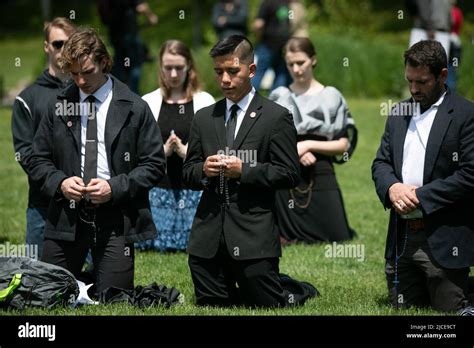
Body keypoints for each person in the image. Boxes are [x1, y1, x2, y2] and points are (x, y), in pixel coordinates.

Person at [183, 35, 317, 308]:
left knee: (265, 304)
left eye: (233, 71)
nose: (225, 80)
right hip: (207, 238)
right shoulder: (204, 117)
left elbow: (289, 173)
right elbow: (187, 172)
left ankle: (296, 288)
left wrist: (244, 170)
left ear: (252, 70)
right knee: (212, 303)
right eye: (219, 72)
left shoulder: (276, 117)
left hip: (253, 236)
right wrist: (203, 170)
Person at [30, 28, 166, 295]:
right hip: (66, 217)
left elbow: (154, 165)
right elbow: (37, 158)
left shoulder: (134, 106)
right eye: (74, 73)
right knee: (45, 294)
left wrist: (114, 188)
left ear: (104, 62)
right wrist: (60, 182)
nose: (80, 80)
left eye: (88, 71)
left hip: (115, 218)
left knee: (114, 298)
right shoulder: (58, 104)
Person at [372, 40, 474, 313]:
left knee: (450, 307)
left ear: (443, 75)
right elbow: (380, 163)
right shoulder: (398, 113)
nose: (414, 89)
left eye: (422, 82)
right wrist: (392, 187)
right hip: (402, 236)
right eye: (410, 81)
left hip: (443, 235)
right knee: (403, 305)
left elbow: (470, 174)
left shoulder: (466, 114)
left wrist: (419, 196)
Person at [269, 37, 357, 244]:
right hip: (286, 173)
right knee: (284, 236)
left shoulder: (331, 96)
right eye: (291, 64)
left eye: (301, 63)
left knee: (337, 236)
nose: (296, 69)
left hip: (321, 170)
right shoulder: (279, 96)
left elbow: (343, 144)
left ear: (313, 60)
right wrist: (294, 152)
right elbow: (267, 142)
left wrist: (307, 145)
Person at [136, 40, 215, 251]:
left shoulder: (204, 101)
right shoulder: (148, 102)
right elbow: (139, 154)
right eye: (168, 68)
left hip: (193, 191)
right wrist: (163, 151)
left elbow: (214, 151)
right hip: (158, 192)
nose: (173, 74)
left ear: (189, 66)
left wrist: (184, 152)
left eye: (179, 68)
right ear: (160, 67)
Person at [11, 17, 77, 259]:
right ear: (46, 47)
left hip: (85, 202)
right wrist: (59, 182)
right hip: (43, 203)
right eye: (58, 44)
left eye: (70, 44)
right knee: (38, 278)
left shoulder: (89, 93)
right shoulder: (27, 99)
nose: (64, 50)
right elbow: (26, 155)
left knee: (91, 280)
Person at [98, 0, 158, 94]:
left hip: (114, 36)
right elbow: (141, 6)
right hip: (129, 34)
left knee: (121, 66)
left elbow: (104, 17)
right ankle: (133, 96)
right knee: (135, 65)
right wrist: (150, 16)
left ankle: (117, 93)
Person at [252, 0, 292, 92]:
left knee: (258, 72)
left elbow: (259, 24)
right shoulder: (287, 3)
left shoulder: (267, 3)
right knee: (280, 73)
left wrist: (257, 36)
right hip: (283, 43)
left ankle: (250, 99)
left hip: (267, 43)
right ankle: (277, 99)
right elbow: (291, 20)